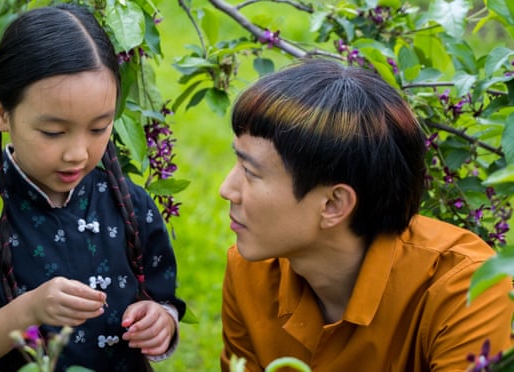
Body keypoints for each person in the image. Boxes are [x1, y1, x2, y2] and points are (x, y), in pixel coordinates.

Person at [218, 58, 514, 371]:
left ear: (333, 204)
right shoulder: (250, 273)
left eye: (250, 172)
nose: (227, 189)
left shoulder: (467, 292)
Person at [0, 4, 185, 371]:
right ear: (1, 112)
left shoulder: (130, 205)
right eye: (53, 132)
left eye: (99, 128)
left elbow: (162, 299)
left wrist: (160, 321)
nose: (78, 153)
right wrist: (26, 311)